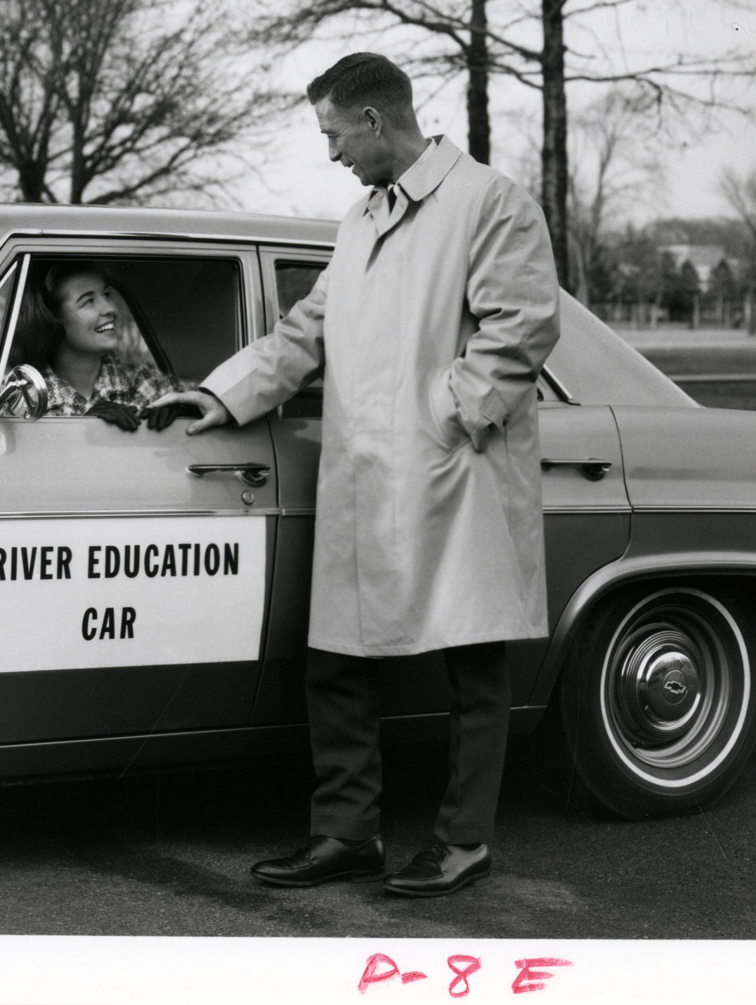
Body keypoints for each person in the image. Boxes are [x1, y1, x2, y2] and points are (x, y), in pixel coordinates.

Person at [149, 53, 560, 897]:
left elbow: (520, 327)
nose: (331, 152)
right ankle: (346, 834)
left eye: (334, 133)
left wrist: (446, 417)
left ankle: (463, 842)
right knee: (335, 658)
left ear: (374, 120)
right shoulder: (361, 219)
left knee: (471, 661)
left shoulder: (489, 201)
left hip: (453, 472)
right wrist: (221, 395)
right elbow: (308, 329)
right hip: (365, 473)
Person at [12, 260, 194, 431]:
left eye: (106, 294)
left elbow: (207, 400)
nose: (110, 308)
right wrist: (81, 429)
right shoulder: (24, 398)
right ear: (52, 320)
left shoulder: (142, 380)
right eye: (88, 301)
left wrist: (188, 410)